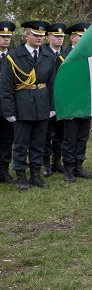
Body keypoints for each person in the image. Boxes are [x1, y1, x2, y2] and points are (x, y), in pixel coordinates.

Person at [0, 21, 56, 190]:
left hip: (42, 104)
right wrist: (9, 111)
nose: (39, 38)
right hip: (22, 105)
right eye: (35, 35)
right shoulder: (14, 56)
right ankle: (21, 176)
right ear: (26, 36)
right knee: (21, 144)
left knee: (39, 143)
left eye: (41, 36)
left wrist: (52, 107)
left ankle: (36, 176)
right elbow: (6, 87)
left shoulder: (47, 55)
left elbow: (52, 84)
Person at [59, 22, 92, 182]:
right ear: (73, 37)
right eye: (81, 36)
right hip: (70, 105)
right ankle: (68, 169)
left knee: (82, 137)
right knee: (70, 138)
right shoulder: (63, 56)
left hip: (85, 102)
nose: (84, 39)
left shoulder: (90, 55)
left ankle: (78, 166)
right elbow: (57, 83)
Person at [42, 23, 67, 177]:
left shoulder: (67, 53)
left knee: (61, 132)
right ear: (49, 37)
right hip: (45, 98)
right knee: (45, 133)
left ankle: (56, 161)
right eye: (56, 36)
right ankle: (45, 163)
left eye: (61, 36)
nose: (59, 39)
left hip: (62, 99)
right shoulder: (43, 52)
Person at [0, 21, 16, 183]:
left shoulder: (13, 57)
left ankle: (4, 171)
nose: (6, 39)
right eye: (3, 36)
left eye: (8, 37)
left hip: (7, 107)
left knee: (6, 139)